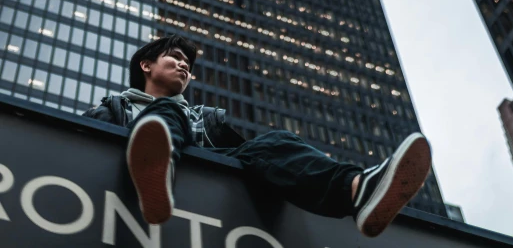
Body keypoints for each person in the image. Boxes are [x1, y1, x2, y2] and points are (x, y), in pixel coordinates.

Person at [84, 34, 432, 238]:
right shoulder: (112, 109)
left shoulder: (206, 120)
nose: (184, 67)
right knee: (169, 110)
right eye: (174, 58)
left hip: (207, 196)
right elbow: (77, 144)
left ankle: (358, 190)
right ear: (145, 66)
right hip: (127, 198)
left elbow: (255, 157)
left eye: (188, 66)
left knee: (273, 143)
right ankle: (154, 172)